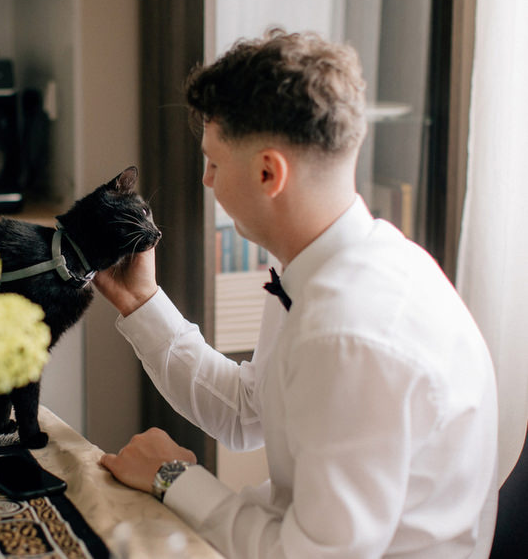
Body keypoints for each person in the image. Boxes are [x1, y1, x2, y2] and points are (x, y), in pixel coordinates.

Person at [93, 28, 499, 558]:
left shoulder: (349, 333)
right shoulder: (320, 265)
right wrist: (141, 302)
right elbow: (247, 413)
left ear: (268, 172)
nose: (207, 181)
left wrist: (173, 477)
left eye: (214, 162)